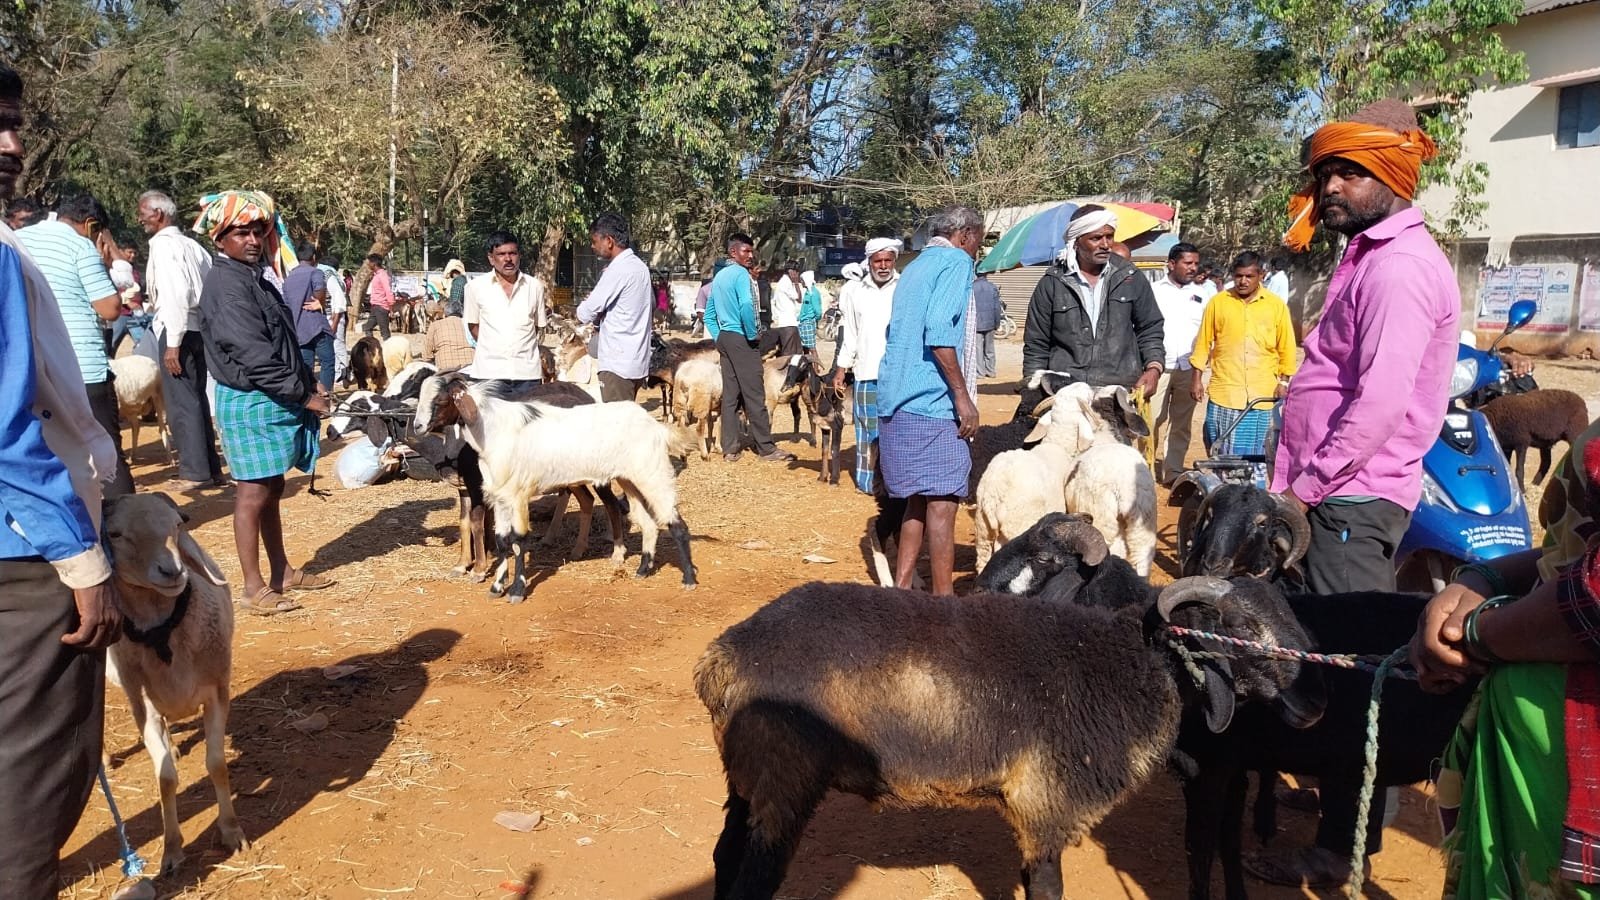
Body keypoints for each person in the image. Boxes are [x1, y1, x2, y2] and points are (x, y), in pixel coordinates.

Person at [1252, 99, 1461, 886]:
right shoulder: (1366, 254)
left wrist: (1303, 491)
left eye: (1350, 171)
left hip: (1347, 498)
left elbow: (1376, 405)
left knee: (1350, 673)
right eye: (1326, 171)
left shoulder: (1402, 267)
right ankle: (1341, 804)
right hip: (1331, 495)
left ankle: (1343, 847)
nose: (1331, 185)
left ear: (1393, 175)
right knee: (1323, 656)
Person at [0, 64, 125, 900]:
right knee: (29, 776)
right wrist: (84, 564)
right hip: (20, 558)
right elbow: (7, 434)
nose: (10, 144)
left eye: (12, 123)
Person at [1408, 420, 1600, 899]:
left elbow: (1591, 600)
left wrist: (1474, 633)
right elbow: (1572, 553)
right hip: (1541, 738)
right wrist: (1482, 579)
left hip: (1570, 755)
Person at [194, 190, 332, 616]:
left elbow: (278, 342)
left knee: (271, 488)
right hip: (252, 400)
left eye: (258, 230)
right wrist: (305, 395)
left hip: (271, 396)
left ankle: (282, 572)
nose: (252, 239)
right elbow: (254, 356)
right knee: (253, 494)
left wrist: (305, 382)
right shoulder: (227, 285)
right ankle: (254, 589)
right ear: (220, 237)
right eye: (241, 232)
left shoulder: (250, 276)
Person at [876, 206, 982, 596]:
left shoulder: (917, 266)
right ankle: (943, 604)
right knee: (943, 502)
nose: (977, 250)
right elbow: (939, 333)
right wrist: (962, 397)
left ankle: (902, 589)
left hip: (895, 400)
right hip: (930, 401)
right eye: (979, 241)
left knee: (917, 502)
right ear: (966, 235)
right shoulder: (955, 262)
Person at [16, 193, 135, 499]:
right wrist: (104, 260)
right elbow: (109, 309)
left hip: (35, 367)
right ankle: (124, 522)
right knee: (104, 444)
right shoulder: (80, 245)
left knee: (55, 448)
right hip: (82, 363)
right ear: (91, 224)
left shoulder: (18, 239)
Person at [1017, 205, 1164, 419]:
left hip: (1118, 393)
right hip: (1066, 395)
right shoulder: (1052, 283)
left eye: (1109, 236)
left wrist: (1153, 368)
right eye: (1096, 238)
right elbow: (1036, 345)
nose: (1105, 244)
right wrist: (1032, 390)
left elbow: (1150, 328)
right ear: (1076, 241)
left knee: (1112, 452)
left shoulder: (1130, 277)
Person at [138, 188, 226, 490]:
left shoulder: (163, 247)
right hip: (199, 328)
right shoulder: (193, 246)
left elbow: (176, 295)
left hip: (178, 330)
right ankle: (210, 468)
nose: (140, 220)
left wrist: (172, 342)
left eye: (143, 214)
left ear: (158, 214)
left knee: (181, 402)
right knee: (197, 398)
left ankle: (194, 472)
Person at [1189, 251, 1298, 456]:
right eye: (1239, 276)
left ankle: (1251, 489)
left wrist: (1283, 382)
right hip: (1225, 392)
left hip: (1262, 395)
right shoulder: (1218, 302)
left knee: (1255, 457)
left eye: (1249, 276)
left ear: (1261, 275)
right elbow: (1203, 343)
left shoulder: (1276, 306)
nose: (1243, 281)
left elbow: (1287, 348)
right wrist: (1196, 379)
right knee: (1219, 451)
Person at [706, 232, 793, 463]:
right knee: (755, 394)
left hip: (726, 338)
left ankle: (730, 448)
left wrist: (719, 338)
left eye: (751, 251)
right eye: (746, 251)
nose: (750, 256)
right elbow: (746, 305)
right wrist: (752, 333)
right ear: (733, 252)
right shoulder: (742, 276)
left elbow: (709, 316)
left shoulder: (719, 277)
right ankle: (766, 448)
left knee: (731, 395)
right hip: (742, 339)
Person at [831, 237, 901, 494]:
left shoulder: (904, 288)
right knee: (866, 429)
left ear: (894, 261)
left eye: (887, 260)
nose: (883, 266)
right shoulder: (855, 292)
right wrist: (841, 369)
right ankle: (868, 481)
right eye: (878, 261)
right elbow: (851, 333)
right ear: (869, 262)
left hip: (897, 374)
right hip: (865, 372)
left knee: (896, 429)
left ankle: (895, 481)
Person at [576, 212, 653, 401]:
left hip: (616, 365)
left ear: (609, 241)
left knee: (617, 426)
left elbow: (585, 313)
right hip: (635, 361)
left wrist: (585, 307)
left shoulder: (618, 270)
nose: (592, 247)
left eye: (594, 241)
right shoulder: (640, 267)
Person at [1149, 241, 1207, 485]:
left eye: (1195, 263)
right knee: (1150, 421)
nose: (1193, 268)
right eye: (1187, 263)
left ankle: (1172, 472)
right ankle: (1145, 470)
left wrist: (1200, 370)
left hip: (1189, 369)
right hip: (1157, 367)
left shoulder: (1206, 294)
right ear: (1171, 264)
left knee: (1181, 424)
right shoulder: (1152, 290)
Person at [463, 230, 546, 380]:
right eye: (501, 254)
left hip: (527, 375)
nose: (508, 259)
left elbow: (537, 326)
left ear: (519, 255)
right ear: (491, 258)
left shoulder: (534, 287)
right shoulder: (475, 288)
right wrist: (495, 347)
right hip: (489, 374)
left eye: (512, 253)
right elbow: (473, 326)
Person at [281, 241, 335, 393]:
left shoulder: (289, 278)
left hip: (299, 330)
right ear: (314, 256)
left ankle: (311, 398)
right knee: (327, 361)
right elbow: (319, 289)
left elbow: (285, 305)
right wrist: (320, 302)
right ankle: (325, 396)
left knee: (306, 366)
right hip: (317, 327)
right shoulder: (315, 272)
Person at [319, 252, 350, 383]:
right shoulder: (337, 278)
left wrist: (334, 321)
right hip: (335, 315)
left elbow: (338, 299)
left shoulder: (328, 275)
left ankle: (343, 372)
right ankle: (341, 372)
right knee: (335, 344)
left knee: (337, 343)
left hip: (334, 315)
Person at [422, 294, 475, 370]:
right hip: (471, 366)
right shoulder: (469, 324)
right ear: (462, 312)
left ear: (445, 312)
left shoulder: (435, 325)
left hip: (446, 371)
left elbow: (426, 355)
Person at [768, 261, 804, 359]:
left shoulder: (786, 282)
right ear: (791, 271)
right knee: (789, 355)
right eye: (796, 272)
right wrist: (796, 283)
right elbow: (799, 298)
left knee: (797, 355)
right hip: (787, 324)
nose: (798, 274)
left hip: (791, 323)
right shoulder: (785, 283)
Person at [972, 271, 1002, 378]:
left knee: (978, 348)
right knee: (990, 348)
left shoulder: (971, 288)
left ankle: (980, 373)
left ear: (975, 274)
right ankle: (991, 371)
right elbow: (997, 307)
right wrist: (997, 322)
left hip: (976, 323)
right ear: (986, 274)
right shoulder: (992, 287)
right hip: (990, 322)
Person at [364, 253, 395, 339]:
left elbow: (388, 291)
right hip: (375, 307)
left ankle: (389, 351)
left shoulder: (383, 275)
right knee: (367, 328)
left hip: (381, 307)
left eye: (369, 262)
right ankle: (372, 348)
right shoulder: (376, 275)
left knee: (384, 332)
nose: (368, 264)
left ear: (374, 264)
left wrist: (391, 308)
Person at [797, 270, 824, 352]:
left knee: (812, 349)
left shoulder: (814, 293)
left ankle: (816, 364)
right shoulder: (808, 293)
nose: (801, 282)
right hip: (803, 323)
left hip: (808, 323)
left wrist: (813, 320)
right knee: (805, 348)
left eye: (802, 280)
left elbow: (818, 312)